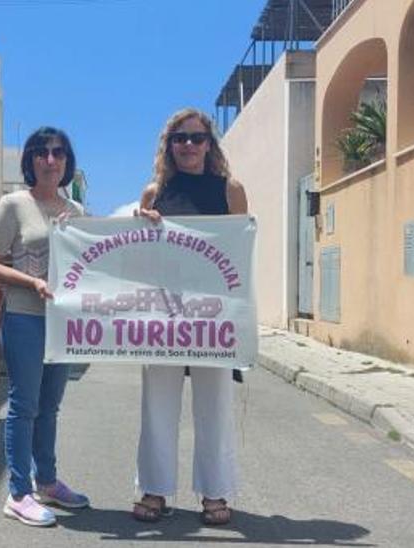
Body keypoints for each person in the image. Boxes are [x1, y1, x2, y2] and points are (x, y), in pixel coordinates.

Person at [131, 108, 249, 526]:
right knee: (157, 404)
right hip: (162, 313)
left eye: (197, 138)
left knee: (214, 404)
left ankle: (215, 492)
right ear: (169, 145)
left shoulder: (230, 190)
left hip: (212, 314)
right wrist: (140, 229)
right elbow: (139, 256)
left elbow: (239, 252)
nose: (188, 146)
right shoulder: (153, 193)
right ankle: (155, 488)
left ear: (209, 144)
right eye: (180, 139)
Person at [0, 127, 89, 527]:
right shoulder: (13, 204)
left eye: (58, 152)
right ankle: (19, 493)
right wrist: (32, 282)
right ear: (30, 160)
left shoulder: (76, 213)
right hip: (25, 317)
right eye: (42, 152)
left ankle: (47, 482)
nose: (50, 159)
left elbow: (93, 265)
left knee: (50, 407)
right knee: (24, 405)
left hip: (63, 323)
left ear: (67, 161)